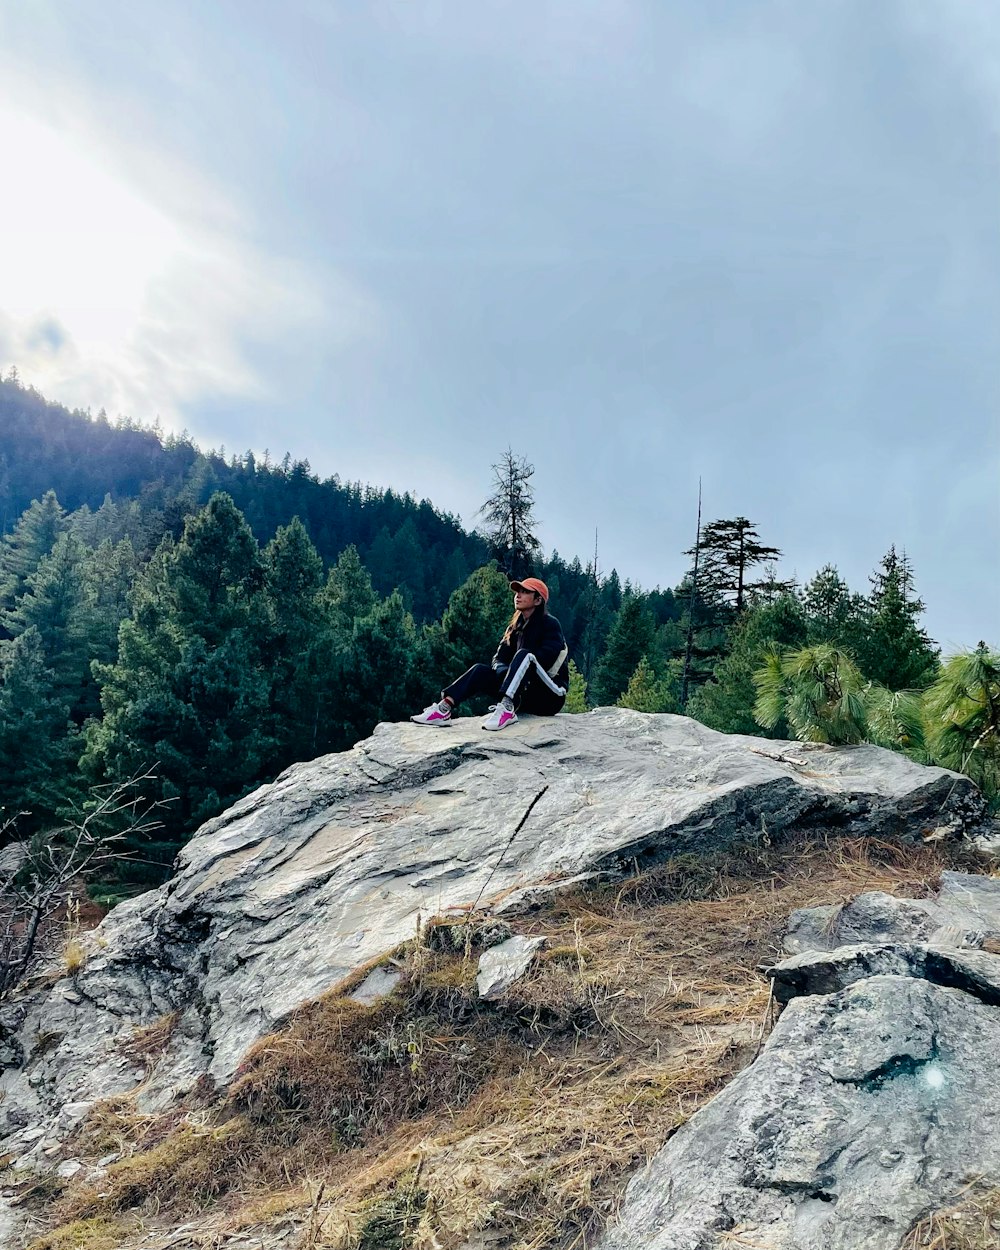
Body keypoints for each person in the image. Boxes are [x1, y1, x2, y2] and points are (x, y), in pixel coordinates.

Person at [411, 577, 570, 731]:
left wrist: (516, 671)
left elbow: (546, 659)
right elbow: (499, 658)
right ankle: (444, 709)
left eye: (525, 592)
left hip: (549, 696)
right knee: (480, 670)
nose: (518, 595)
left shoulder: (550, 624)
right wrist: (502, 671)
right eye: (517, 592)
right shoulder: (515, 628)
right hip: (523, 695)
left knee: (525, 656)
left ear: (537, 600)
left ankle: (507, 708)